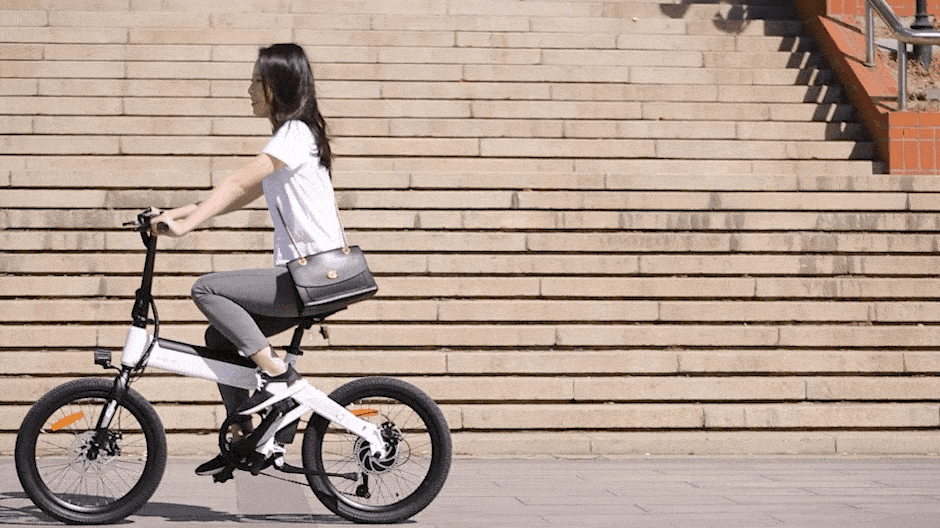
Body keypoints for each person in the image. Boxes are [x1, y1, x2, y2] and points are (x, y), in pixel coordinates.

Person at [152, 43, 342, 476]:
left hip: (311, 273)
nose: (249, 90)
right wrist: (176, 214)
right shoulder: (295, 140)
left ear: (278, 86)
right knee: (220, 339)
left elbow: (238, 181)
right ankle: (244, 435)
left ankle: (279, 379)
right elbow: (239, 196)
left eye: (257, 80)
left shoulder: (294, 134)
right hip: (311, 274)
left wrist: (185, 228)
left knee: (207, 289)